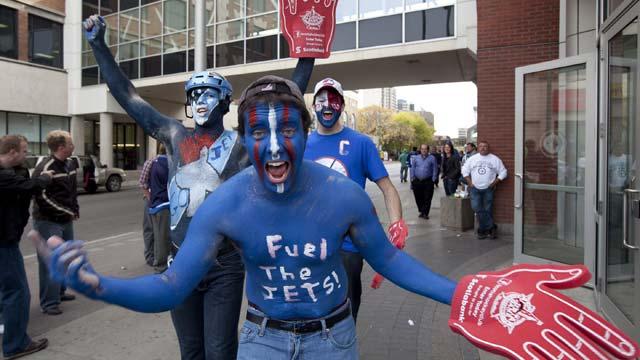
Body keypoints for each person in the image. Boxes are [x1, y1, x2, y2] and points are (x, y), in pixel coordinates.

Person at [36, 76, 639, 360]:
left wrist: (471, 293)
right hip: (262, 341)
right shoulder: (227, 203)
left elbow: (392, 261)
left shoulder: (343, 197)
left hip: (334, 340)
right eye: (259, 133)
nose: (274, 148)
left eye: (287, 130)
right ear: (245, 137)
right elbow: (173, 285)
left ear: (304, 130)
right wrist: (99, 285)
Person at [82, 14, 314, 360]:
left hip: (225, 266)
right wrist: (99, 46)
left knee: (219, 351)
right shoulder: (174, 135)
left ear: (224, 102)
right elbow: (129, 97)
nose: (200, 100)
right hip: (180, 262)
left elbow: (285, 99)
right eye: (194, 94)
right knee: (190, 350)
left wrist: (308, 51)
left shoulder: (241, 142)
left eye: (208, 93)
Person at [304, 77, 406, 321]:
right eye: (321, 101)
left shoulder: (361, 143)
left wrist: (397, 224)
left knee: (345, 311)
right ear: (313, 107)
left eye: (333, 100)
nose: (327, 106)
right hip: (307, 243)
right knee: (310, 309)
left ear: (342, 105)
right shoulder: (302, 143)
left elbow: (388, 188)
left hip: (348, 246)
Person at [0, 135, 51, 359]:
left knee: (5, 288)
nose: (26, 154)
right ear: (11, 152)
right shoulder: (5, 178)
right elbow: (30, 185)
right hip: (4, 242)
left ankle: (6, 325)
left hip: (6, 238)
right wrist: (46, 178)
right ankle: (16, 344)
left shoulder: (13, 172)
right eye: (23, 150)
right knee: (17, 291)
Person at [32, 130, 78, 316]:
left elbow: (73, 191)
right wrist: (68, 211)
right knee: (50, 262)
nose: (73, 146)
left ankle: (59, 292)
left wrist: (75, 209)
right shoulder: (45, 167)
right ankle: (49, 303)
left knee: (65, 257)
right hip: (48, 222)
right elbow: (41, 197)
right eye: (70, 143)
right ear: (61, 147)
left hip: (66, 219)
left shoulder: (70, 163)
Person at [461, 140, 507, 239]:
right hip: (474, 188)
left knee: (488, 209)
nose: (483, 148)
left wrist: (494, 182)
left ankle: (482, 230)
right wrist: (469, 182)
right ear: (477, 148)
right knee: (476, 208)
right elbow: (464, 170)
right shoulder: (473, 159)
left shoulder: (495, 159)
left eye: (485, 146)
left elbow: (503, 172)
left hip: (488, 189)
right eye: (481, 146)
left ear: (488, 148)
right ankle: (492, 226)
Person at [146, 145, 170, 273]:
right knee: (163, 239)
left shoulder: (153, 163)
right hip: (164, 204)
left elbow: (145, 183)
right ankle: (161, 268)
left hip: (154, 205)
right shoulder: (167, 163)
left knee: (157, 237)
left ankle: (158, 262)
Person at [410, 144, 439, 219]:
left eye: (425, 149)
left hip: (428, 181)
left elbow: (435, 169)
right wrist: (412, 179)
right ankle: (421, 210)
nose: (423, 150)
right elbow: (412, 169)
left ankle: (425, 213)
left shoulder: (432, 158)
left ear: (428, 150)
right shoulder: (416, 158)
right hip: (417, 181)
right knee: (418, 197)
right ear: (420, 150)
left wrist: (433, 180)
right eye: (422, 149)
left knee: (427, 197)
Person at [139, 156, 155, 266]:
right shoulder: (150, 162)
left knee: (154, 230)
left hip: (158, 200)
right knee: (150, 229)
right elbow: (142, 183)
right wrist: (149, 197)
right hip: (152, 199)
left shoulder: (171, 160)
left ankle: (155, 255)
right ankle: (150, 255)